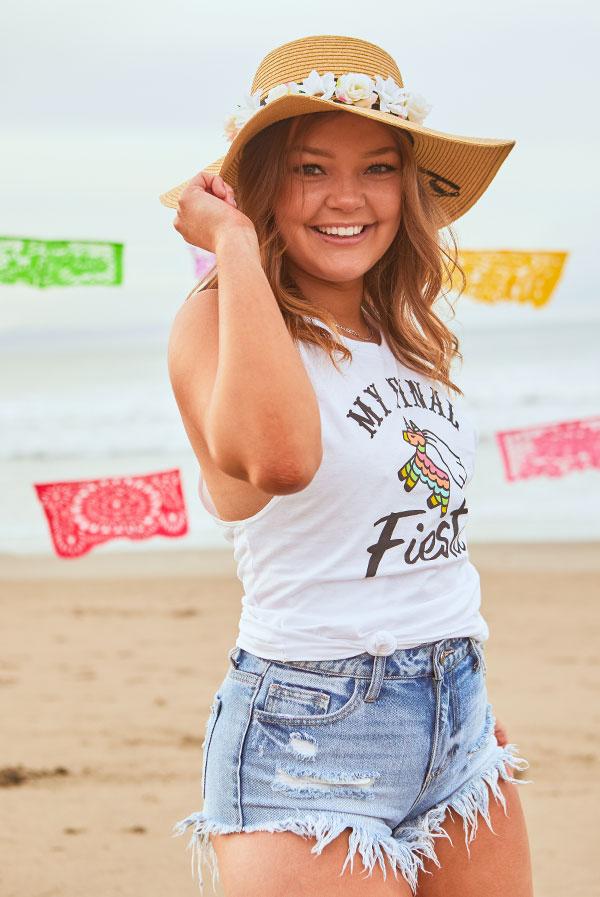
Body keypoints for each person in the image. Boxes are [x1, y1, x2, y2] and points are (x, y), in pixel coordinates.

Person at [160, 33, 533, 897]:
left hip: (456, 717)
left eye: (377, 168)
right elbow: (281, 461)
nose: (347, 198)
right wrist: (239, 249)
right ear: (260, 187)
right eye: (308, 169)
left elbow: (425, 534)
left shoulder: (405, 335)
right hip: (309, 734)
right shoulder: (215, 320)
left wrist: (457, 697)